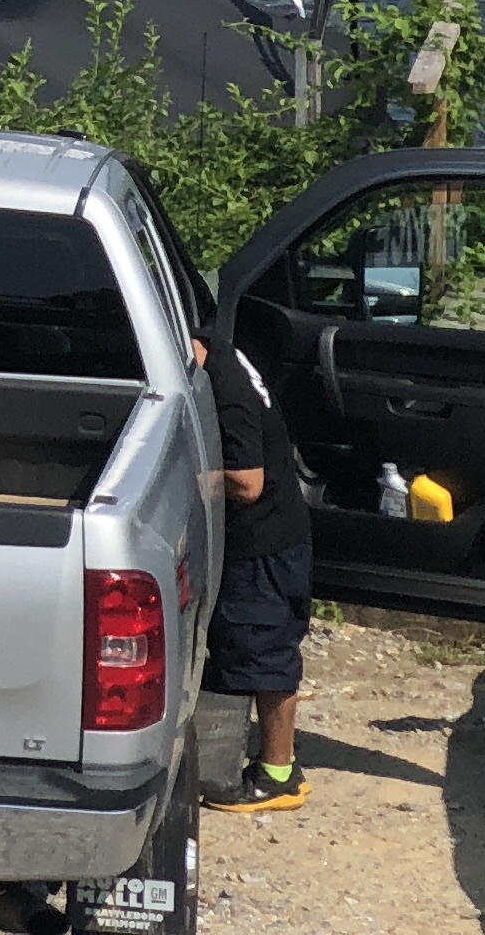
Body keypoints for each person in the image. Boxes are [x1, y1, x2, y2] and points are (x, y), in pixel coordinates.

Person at [202, 317, 315, 814]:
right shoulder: (224, 354)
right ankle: (271, 761)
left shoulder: (227, 389)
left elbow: (246, 483)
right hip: (276, 534)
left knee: (264, 650)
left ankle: (278, 775)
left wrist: (191, 475)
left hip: (264, 541)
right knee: (249, 647)